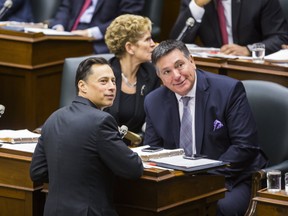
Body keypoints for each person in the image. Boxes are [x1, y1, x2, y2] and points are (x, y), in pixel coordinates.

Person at [143, 40, 267, 216]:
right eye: (167, 72)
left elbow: (245, 147)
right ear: (160, 77)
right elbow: (153, 152)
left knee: (216, 208)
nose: (176, 75)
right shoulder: (153, 101)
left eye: (180, 65)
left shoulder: (228, 90)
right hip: (179, 180)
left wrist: (201, 180)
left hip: (231, 177)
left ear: (192, 61)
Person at [30, 57, 144, 216]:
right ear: (82, 86)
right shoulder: (102, 121)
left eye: (113, 81)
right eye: (103, 81)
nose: (112, 87)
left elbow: (37, 172)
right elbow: (133, 169)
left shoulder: (53, 118)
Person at [104, 14, 161, 145]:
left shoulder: (152, 73)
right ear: (130, 47)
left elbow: (153, 120)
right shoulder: (105, 73)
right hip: (104, 147)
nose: (153, 44)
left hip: (137, 149)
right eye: (147, 40)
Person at [170, 0, 288, 56]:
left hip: (253, 69)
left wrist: (248, 50)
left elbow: (280, 37)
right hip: (214, 70)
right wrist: (197, 5)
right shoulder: (193, 1)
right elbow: (175, 43)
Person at [49, 0, 144, 54]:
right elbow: (65, 6)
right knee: (44, 49)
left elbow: (127, 19)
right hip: (68, 34)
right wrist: (59, 26)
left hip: (102, 39)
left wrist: (90, 33)